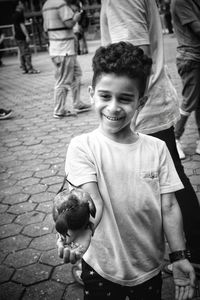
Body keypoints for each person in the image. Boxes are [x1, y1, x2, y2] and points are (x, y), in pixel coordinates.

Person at [57, 42, 195, 300]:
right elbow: (90, 201)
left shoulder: (157, 149)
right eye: (105, 96)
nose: (113, 107)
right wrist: (81, 232)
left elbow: (170, 207)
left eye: (125, 98)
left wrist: (178, 256)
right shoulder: (82, 147)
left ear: (140, 102)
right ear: (91, 93)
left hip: (149, 266)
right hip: (101, 267)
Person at [100, 0, 200, 266]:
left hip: (142, 109)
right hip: (148, 104)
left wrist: (115, 111)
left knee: (167, 184)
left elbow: (132, 59)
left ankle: (189, 252)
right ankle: (191, 250)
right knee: (171, 180)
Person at [42, 0, 91, 119]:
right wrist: (76, 17)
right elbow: (69, 23)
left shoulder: (46, 5)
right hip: (64, 50)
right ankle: (59, 110)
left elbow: (45, 30)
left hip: (59, 48)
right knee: (63, 81)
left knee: (77, 74)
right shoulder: (60, 4)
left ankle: (77, 103)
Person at [171, 0, 200, 158]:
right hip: (190, 58)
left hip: (195, 57)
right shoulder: (181, 1)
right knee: (190, 101)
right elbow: (197, 28)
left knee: (198, 101)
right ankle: (174, 138)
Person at [12, 0, 40, 74]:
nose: (23, 5)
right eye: (21, 3)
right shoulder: (19, 14)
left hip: (17, 36)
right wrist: (27, 35)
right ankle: (30, 69)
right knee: (27, 53)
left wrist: (14, 34)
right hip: (22, 36)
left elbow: (14, 26)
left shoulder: (14, 14)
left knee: (22, 53)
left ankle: (24, 69)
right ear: (17, 5)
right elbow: (22, 25)